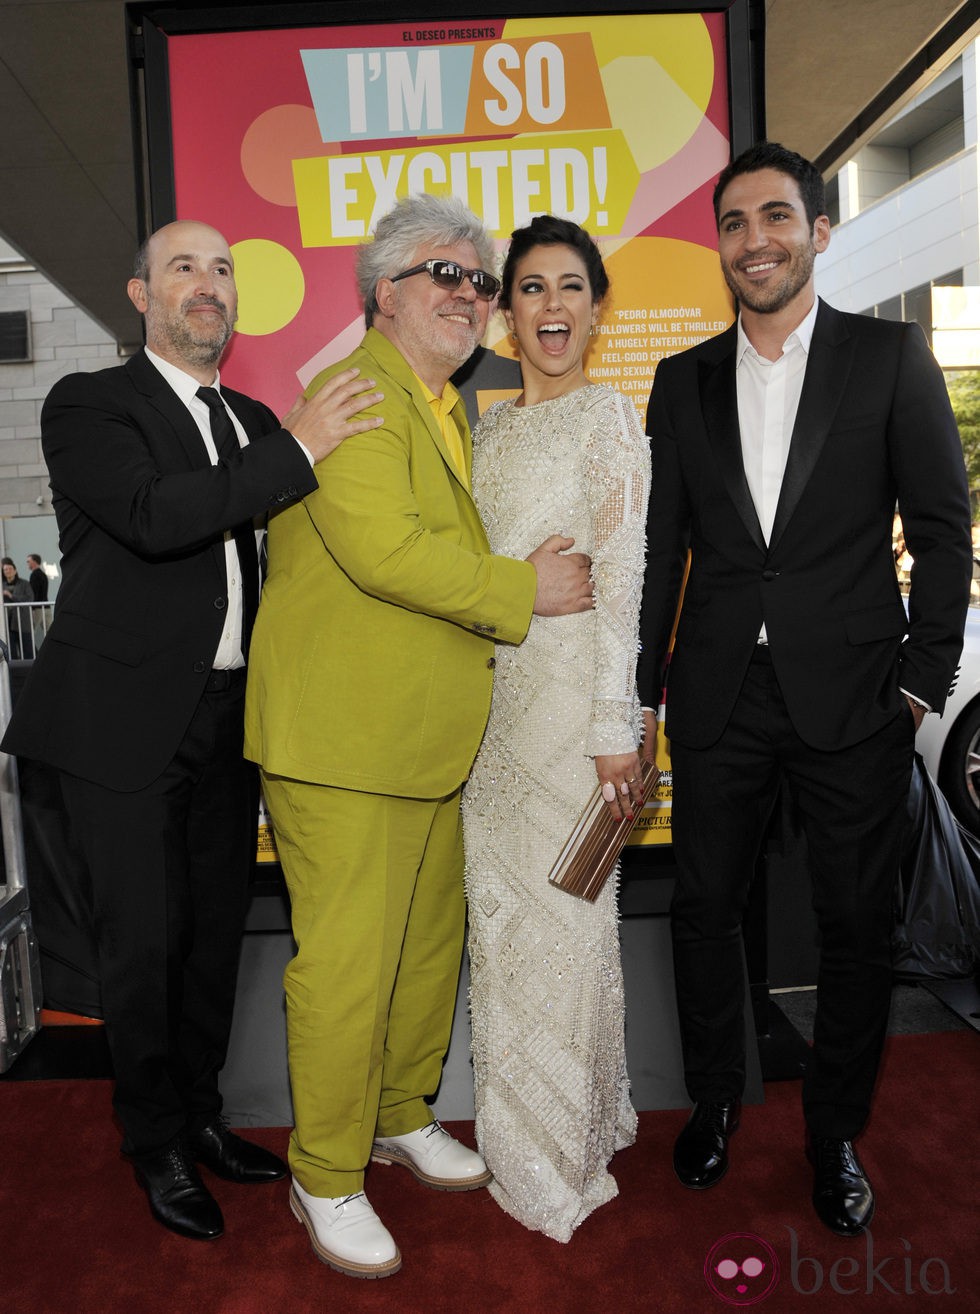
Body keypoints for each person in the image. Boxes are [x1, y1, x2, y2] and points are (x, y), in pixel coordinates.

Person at [1, 219, 385, 1242]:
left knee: (216, 937)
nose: (206, 285)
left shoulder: (256, 417)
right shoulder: (88, 403)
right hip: (120, 727)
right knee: (145, 946)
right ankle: (155, 1142)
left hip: (231, 722)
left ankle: (203, 1119)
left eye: (221, 269)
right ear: (140, 297)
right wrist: (300, 446)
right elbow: (155, 515)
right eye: (183, 268)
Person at [244, 194, 595, 1280]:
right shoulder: (355, 393)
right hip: (344, 744)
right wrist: (521, 590)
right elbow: (384, 554)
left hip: (424, 746)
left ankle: (397, 1113)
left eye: (478, 281)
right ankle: (325, 1172)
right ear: (382, 292)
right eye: (444, 274)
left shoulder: (437, 403)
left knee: (422, 953)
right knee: (348, 970)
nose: (469, 295)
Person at [638, 142, 973, 1237]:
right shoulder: (679, 380)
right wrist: (643, 695)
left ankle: (832, 1133)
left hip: (855, 701)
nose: (754, 240)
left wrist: (921, 685)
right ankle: (717, 1100)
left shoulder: (888, 359)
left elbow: (939, 529)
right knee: (700, 913)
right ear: (718, 244)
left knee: (851, 928)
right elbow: (661, 551)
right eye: (733, 223)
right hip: (720, 695)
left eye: (774, 217)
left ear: (816, 232)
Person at [462, 215, 650, 1241]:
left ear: (595, 306)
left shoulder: (611, 419)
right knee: (502, 936)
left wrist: (612, 728)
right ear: (504, 311)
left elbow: (622, 587)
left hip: (572, 720)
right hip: (486, 721)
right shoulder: (483, 428)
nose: (550, 308)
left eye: (569, 287)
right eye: (530, 289)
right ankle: (558, 1122)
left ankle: (554, 1154)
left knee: (566, 929)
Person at [2, 556, 33, 657]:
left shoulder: (24, 584)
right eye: (5, 569)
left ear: (15, 570)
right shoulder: (2, 585)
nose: (8, 571)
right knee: (11, 654)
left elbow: (30, 598)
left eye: (10, 569)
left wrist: (11, 596)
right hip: (8, 625)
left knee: (28, 652)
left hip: (22, 623)